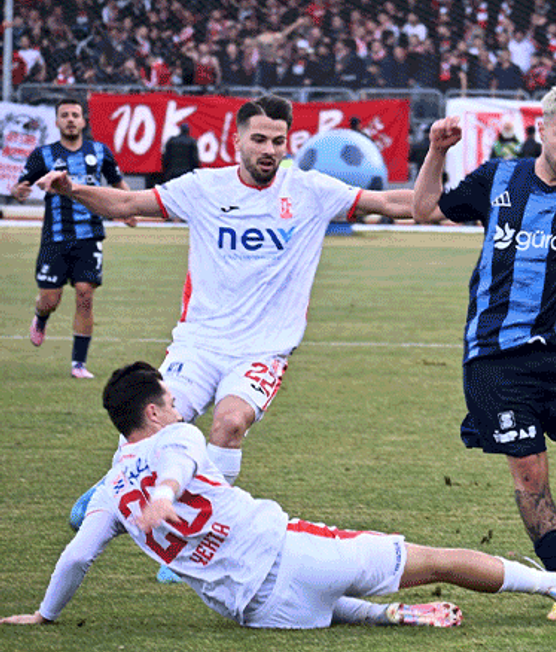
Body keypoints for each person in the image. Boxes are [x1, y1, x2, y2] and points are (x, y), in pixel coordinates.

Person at [37, 94, 417, 532]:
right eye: (259, 139)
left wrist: (459, 197)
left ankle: (200, 534)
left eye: (278, 141)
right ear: (236, 140)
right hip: (199, 343)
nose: (269, 150)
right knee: (151, 422)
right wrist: (73, 190)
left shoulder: (311, 191)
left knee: (230, 423)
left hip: (262, 351)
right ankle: (115, 485)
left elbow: (390, 203)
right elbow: (127, 205)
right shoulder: (204, 187)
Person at [0, 362, 556, 630]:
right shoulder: (177, 437)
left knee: (329, 602)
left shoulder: (108, 491)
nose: (181, 410)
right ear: (152, 413)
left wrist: (45, 614)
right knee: (431, 560)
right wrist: (167, 491)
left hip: (256, 614)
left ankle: (388, 616)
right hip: (292, 554)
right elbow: (177, 463)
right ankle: (554, 583)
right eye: (172, 402)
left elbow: (78, 555)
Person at [410, 84, 556, 622]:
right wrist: (437, 151)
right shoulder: (497, 179)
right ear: (542, 130)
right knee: (528, 474)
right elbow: (423, 210)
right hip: (493, 355)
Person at [11, 97, 136, 379]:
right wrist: (20, 191)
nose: (70, 119)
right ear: (57, 121)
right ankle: (41, 317)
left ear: (83, 121)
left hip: (90, 236)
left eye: (75, 115)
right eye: (65, 115)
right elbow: (21, 186)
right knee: (50, 299)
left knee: (85, 294)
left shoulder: (99, 152)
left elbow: (117, 183)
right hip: (55, 238)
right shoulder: (43, 155)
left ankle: (79, 364)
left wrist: (130, 209)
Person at [160, 123, 200, 187]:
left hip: (172, 172)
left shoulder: (172, 140)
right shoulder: (191, 142)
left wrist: (165, 172)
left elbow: (165, 158)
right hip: (186, 173)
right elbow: (195, 159)